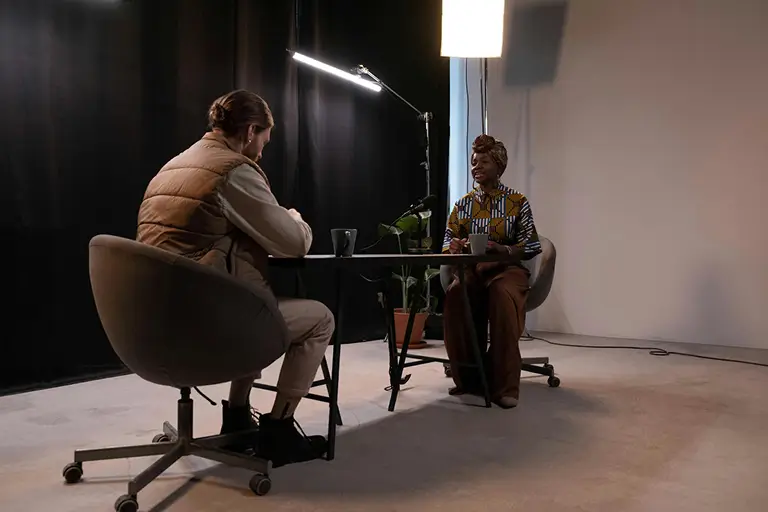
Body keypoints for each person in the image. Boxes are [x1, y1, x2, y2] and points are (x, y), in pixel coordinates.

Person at [136, 89, 333, 466]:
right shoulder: (231, 171)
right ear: (250, 131)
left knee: (247, 299)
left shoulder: (173, 166)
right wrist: (293, 219)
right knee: (319, 319)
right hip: (205, 328)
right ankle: (278, 430)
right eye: (263, 142)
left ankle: (237, 419)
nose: (261, 153)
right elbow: (294, 245)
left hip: (152, 324)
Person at [442, 134, 542, 409]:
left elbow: (532, 245)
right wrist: (456, 245)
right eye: (474, 162)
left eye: (483, 161)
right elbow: (447, 240)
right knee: (457, 294)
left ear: (499, 166)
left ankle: (504, 386)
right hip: (472, 270)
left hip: (506, 269)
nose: (476, 167)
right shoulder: (462, 205)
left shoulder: (517, 202)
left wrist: (503, 250)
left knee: (501, 294)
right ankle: (468, 379)